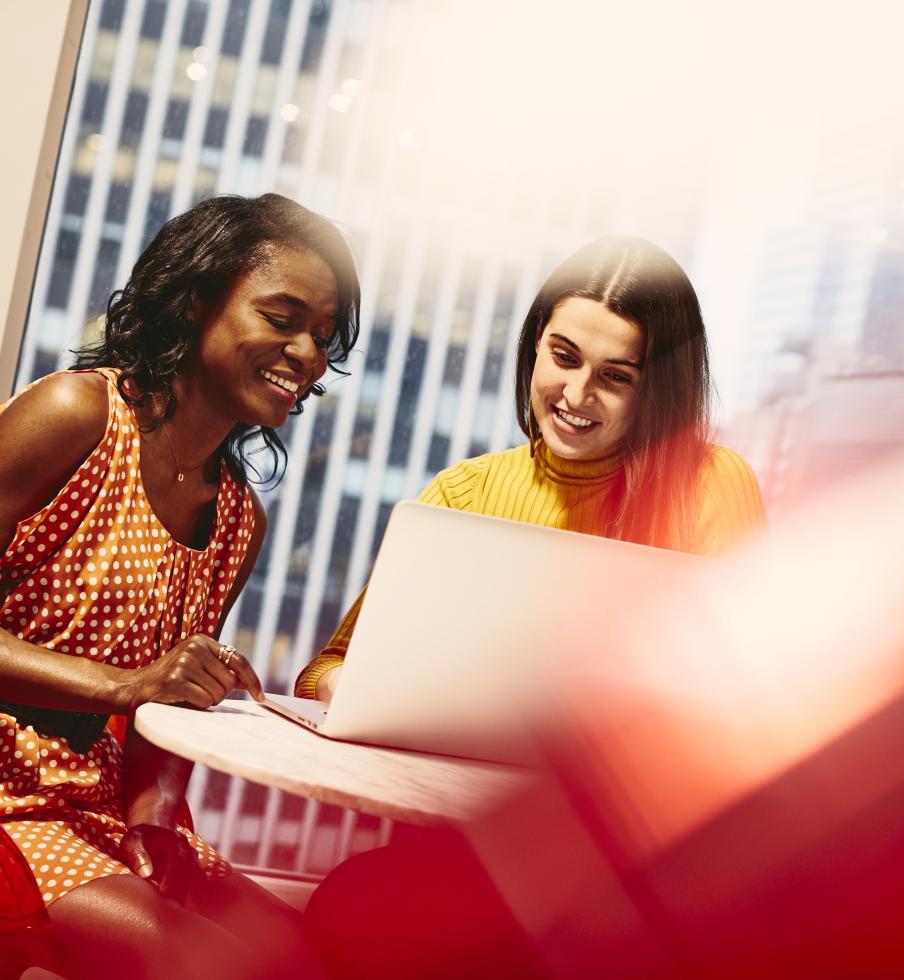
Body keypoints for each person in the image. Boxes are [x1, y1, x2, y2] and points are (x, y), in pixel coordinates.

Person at [0, 193, 360, 979]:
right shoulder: (76, 414)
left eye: (322, 338)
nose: (305, 353)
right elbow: (140, 689)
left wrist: (156, 815)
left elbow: (167, 709)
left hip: (96, 809)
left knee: (306, 957)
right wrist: (125, 684)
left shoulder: (237, 519)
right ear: (195, 302)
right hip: (8, 805)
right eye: (281, 317)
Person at [295, 236, 766, 704]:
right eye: (565, 357)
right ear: (537, 341)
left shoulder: (713, 485)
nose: (577, 395)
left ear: (657, 391)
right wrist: (354, 690)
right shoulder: (464, 494)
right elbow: (328, 666)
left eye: (616, 377)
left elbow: (744, 691)